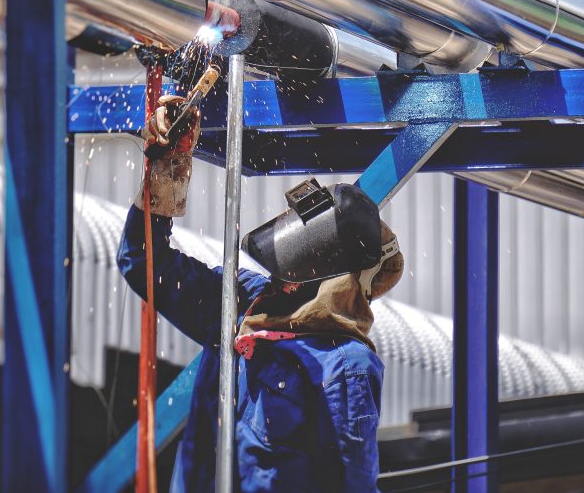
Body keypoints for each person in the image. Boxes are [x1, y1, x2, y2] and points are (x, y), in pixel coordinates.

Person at [117, 94, 404, 493]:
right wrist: (171, 163)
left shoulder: (346, 366)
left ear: (335, 271)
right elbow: (144, 262)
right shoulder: (240, 303)